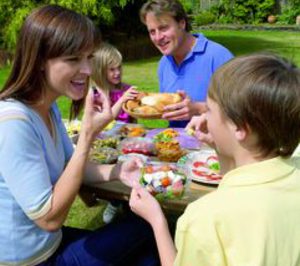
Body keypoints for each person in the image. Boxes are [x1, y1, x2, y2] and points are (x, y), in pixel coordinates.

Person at [0, 5, 159, 266]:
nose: (87, 69)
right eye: (73, 59)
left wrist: (118, 171)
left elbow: (70, 166)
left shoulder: (47, 107)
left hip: (51, 244)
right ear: (40, 60)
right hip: (33, 260)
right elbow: (48, 219)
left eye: (89, 57)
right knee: (146, 226)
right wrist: (87, 137)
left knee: (147, 249)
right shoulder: (13, 123)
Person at [129, 53, 300, 266]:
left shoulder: (203, 219)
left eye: (209, 109)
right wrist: (221, 146)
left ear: (240, 128)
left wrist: (157, 220)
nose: (203, 117)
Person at [140, 0, 233, 127]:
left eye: (163, 28)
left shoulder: (218, 57)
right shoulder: (164, 63)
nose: (157, 37)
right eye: (152, 31)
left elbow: (242, 110)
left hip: (213, 145)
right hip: (174, 143)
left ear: (181, 23)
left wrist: (199, 109)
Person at [91, 43, 138, 224]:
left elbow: (133, 119)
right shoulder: (98, 94)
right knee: (112, 175)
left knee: (129, 171)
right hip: (106, 144)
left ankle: (129, 203)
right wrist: (123, 100)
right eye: (111, 69)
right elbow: (107, 116)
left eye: (119, 67)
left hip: (126, 141)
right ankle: (113, 201)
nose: (117, 73)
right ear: (100, 71)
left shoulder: (125, 89)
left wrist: (137, 105)